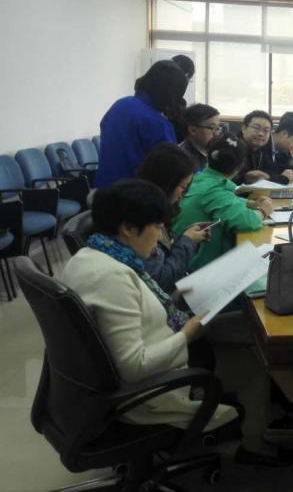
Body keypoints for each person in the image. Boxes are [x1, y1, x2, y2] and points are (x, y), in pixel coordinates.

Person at [58, 180, 238, 432]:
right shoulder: (112, 277)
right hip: (149, 397)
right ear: (129, 228)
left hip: (146, 369)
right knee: (245, 334)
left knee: (233, 324)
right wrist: (187, 333)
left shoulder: (92, 256)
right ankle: (254, 431)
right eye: (157, 226)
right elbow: (134, 366)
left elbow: (137, 306)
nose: (160, 234)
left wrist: (174, 298)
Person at [173, 135, 273, 271]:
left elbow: (226, 201)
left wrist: (250, 203)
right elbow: (246, 221)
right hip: (199, 269)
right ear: (239, 167)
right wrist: (263, 211)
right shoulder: (215, 191)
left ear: (208, 157)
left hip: (182, 258)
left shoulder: (200, 179)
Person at [95, 60, 188, 187]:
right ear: (172, 94)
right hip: (136, 191)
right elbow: (171, 166)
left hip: (104, 187)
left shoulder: (120, 104)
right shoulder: (156, 122)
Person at [136, 143, 211, 293]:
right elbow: (160, 281)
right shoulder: (143, 220)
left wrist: (186, 237)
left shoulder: (152, 208)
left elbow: (164, 255)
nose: (184, 193)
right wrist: (187, 241)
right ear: (166, 183)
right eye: (182, 186)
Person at [234, 110, 293, 185]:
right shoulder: (233, 148)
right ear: (244, 128)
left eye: (266, 130)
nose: (261, 134)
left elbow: (269, 172)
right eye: (256, 128)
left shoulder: (262, 149)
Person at [179, 103, 220, 172]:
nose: (216, 133)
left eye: (217, 128)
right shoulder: (181, 158)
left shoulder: (216, 151)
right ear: (193, 130)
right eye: (212, 128)